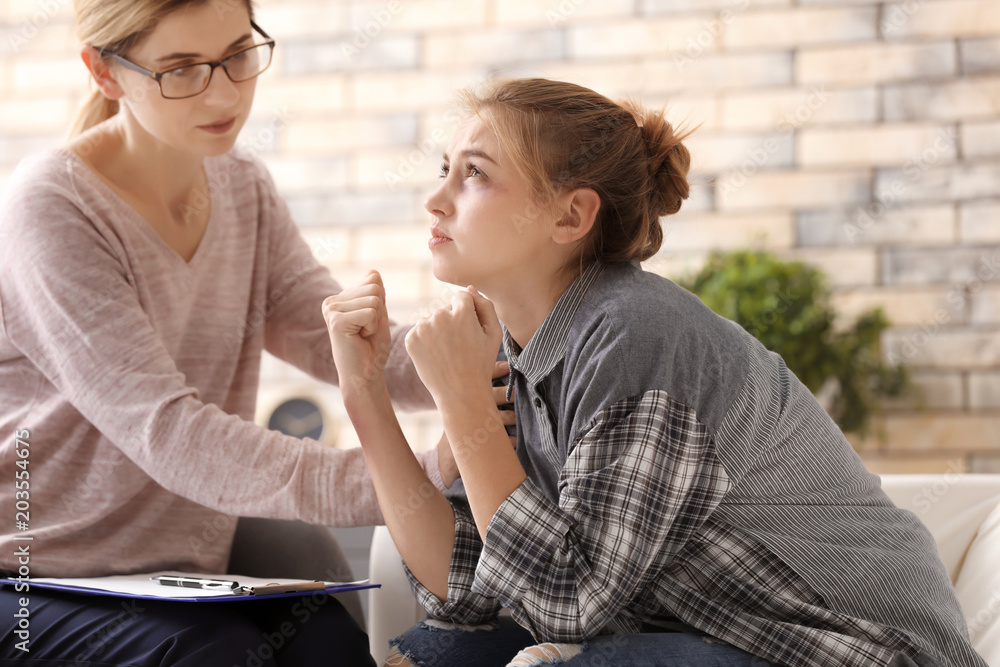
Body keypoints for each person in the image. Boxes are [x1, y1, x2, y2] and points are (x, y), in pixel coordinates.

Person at [323, 78, 988, 667]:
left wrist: (464, 405)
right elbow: (466, 589)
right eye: (445, 168)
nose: (435, 199)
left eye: (474, 174)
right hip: (701, 635)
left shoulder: (635, 333)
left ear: (570, 215)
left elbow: (568, 602)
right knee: (439, 651)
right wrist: (365, 393)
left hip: (852, 647)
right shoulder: (512, 349)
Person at [0, 1, 509, 664]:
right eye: (181, 69)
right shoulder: (52, 206)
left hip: (173, 573)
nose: (224, 91)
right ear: (103, 72)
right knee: (218, 654)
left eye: (239, 55)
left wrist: (502, 354)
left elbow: (341, 340)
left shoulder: (241, 185)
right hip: (33, 575)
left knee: (331, 646)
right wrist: (411, 475)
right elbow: (172, 434)